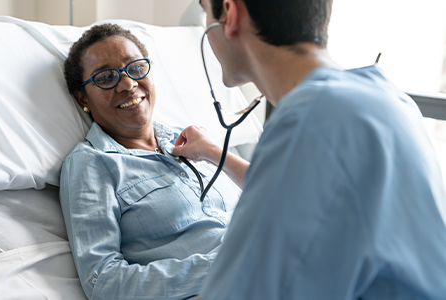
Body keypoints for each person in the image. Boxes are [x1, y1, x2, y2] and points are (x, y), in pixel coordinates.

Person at [171, 0, 446, 299]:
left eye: (204, 11)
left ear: (229, 14)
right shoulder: (383, 98)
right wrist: (213, 152)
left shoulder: (312, 120)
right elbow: (308, 195)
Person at [59, 23, 243, 300]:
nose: (128, 84)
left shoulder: (192, 140)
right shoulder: (91, 163)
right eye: (107, 77)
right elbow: (104, 281)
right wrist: (226, 267)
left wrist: (215, 152)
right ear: (82, 98)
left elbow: (272, 197)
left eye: (135, 68)